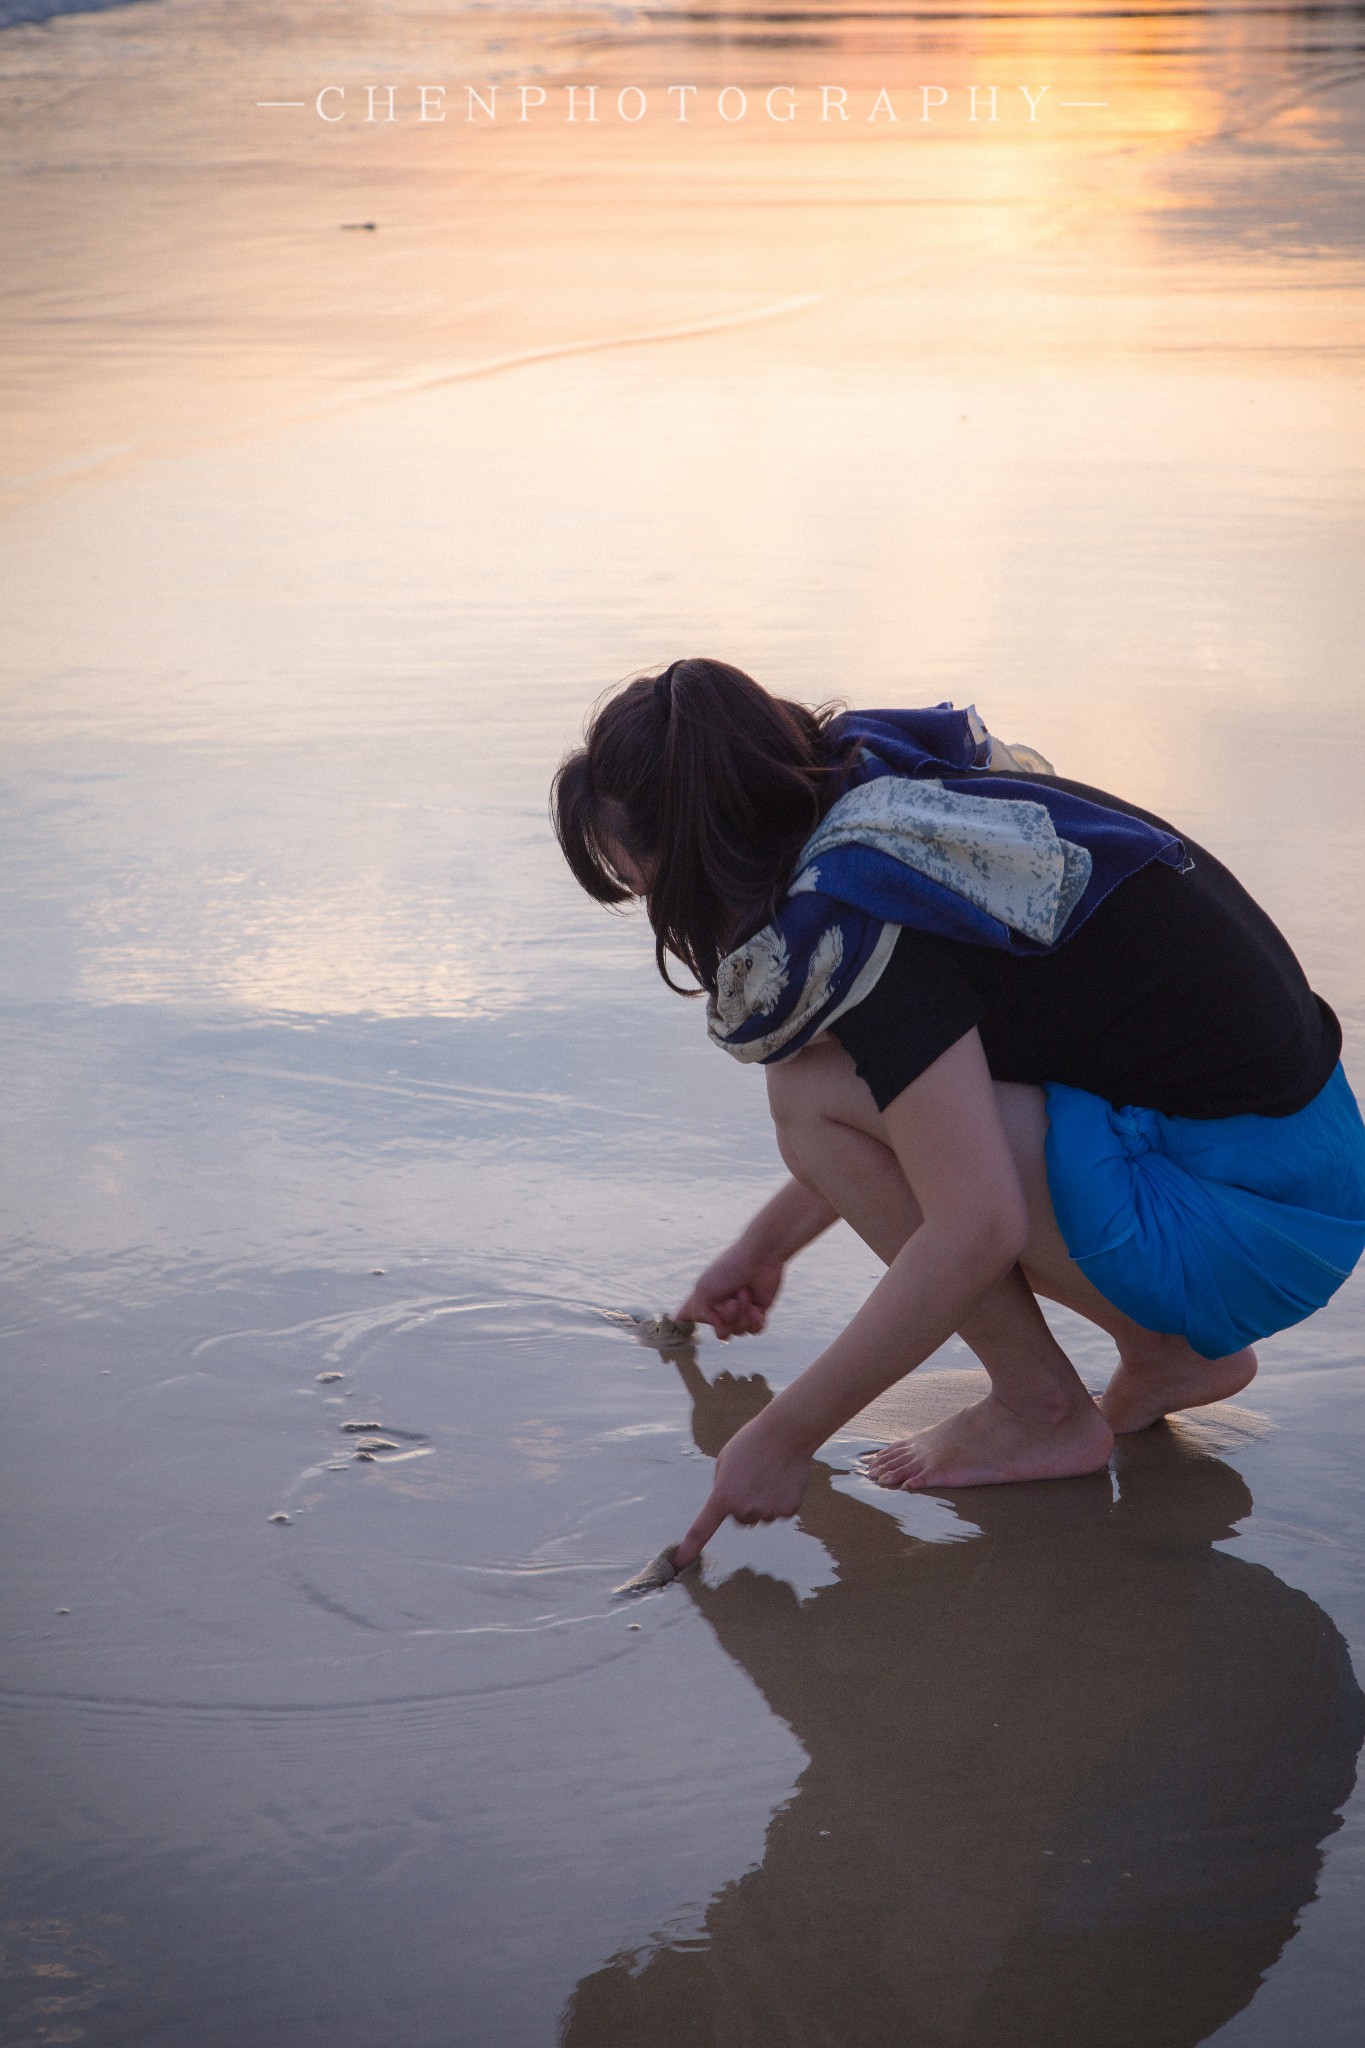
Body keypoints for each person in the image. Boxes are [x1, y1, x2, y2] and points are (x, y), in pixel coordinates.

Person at [551, 659, 1365, 1567]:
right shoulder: (894, 804)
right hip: (1302, 1168)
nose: (655, 910)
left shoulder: (863, 913)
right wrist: (764, 1248)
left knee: (809, 1096)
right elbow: (932, 1095)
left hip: (1244, 1222)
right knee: (833, 1096)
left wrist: (783, 1435)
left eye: (645, 883)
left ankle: (1039, 1409)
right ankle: (1167, 1354)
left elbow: (975, 1223)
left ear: (702, 849)